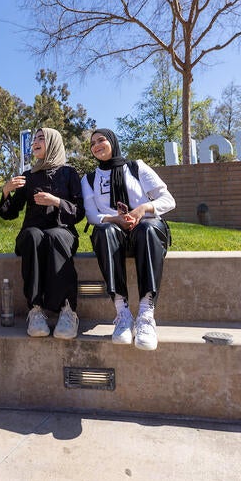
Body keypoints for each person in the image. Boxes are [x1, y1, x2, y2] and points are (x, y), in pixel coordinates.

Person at [81, 129, 175, 351]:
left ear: (112, 141)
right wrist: (116, 219)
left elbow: (168, 200)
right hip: (115, 235)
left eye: (101, 140)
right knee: (103, 230)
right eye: (92, 143)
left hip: (145, 231)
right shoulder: (89, 179)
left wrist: (143, 209)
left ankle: (145, 314)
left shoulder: (136, 167)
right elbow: (92, 215)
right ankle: (122, 313)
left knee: (147, 228)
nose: (96, 145)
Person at [0, 128, 84, 340]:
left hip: (63, 231)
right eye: (34, 139)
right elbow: (10, 213)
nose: (35, 142)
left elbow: (79, 211)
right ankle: (35, 310)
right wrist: (6, 191)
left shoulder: (69, 173)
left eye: (41, 138)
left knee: (54, 237)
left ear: (54, 142)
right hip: (34, 231)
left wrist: (57, 202)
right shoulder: (28, 176)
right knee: (33, 236)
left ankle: (67, 310)